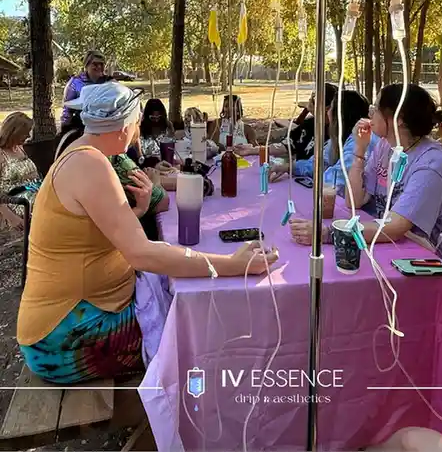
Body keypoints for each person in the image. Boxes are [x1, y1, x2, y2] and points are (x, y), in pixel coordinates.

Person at [17, 81, 278, 384]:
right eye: (137, 120)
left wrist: (137, 213)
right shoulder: (91, 164)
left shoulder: (82, 154)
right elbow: (142, 255)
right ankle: (211, 405)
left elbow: (87, 235)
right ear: (124, 126)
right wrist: (232, 265)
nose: (138, 127)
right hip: (66, 337)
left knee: (184, 298)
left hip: (67, 323)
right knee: (201, 328)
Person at [343, 83, 442, 316]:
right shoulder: (386, 148)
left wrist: (332, 234)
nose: (370, 112)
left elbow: (395, 227)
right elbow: (353, 200)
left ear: (398, 119)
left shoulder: (432, 164)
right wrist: (359, 151)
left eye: (376, 107)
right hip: (406, 263)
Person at [271, 89, 377, 198]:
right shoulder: (338, 138)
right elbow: (319, 164)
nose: (327, 112)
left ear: (339, 116)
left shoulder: (359, 139)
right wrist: (290, 167)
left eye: (331, 108)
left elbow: (337, 179)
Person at [235, 83, 337, 161]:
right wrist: (252, 150)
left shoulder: (337, 133)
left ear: (328, 107)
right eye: (311, 96)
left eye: (314, 98)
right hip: (300, 177)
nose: (309, 100)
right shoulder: (308, 124)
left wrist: (290, 167)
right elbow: (285, 146)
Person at [0, 113, 40, 232]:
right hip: (14, 212)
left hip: (34, 205)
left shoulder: (20, 148)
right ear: (14, 132)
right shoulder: (1, 154)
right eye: (25, 133)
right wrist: (10, 217)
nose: (28, 136)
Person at [61, 51, 111, 127]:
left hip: (106, 124)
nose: (99, 67)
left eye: (101, 64)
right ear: (86, 65)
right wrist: (65, 126)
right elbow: (67, 107)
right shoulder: (76, 82)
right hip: (82, 125)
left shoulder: (109, 82)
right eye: (95, 64)